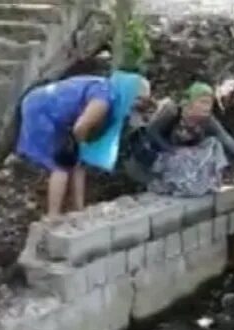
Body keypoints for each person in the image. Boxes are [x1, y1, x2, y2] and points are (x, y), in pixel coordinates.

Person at [17, 73, 153, 220]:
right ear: (131, 93)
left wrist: (80, 150)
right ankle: (53, 215)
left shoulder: (109, 89)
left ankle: (78, 209)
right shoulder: (103, 100)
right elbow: (80, 128)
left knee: (79, 162)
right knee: (60, 165)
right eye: (138, 102)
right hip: (41, 110)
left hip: (51, 109)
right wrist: (76, 145)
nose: (137, 107)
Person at [126, 81, 234, 198]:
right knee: (181, 157)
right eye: (202, 102)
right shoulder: (172, 111)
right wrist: (171, 150)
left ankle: (201, 182)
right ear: (191, 102)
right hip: (152, 157)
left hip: (180, 158)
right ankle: (163, 183)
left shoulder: (208, 121)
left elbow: (228, 141)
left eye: (209, 103)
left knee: (214, 145)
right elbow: (151, 132)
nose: (206, 107)